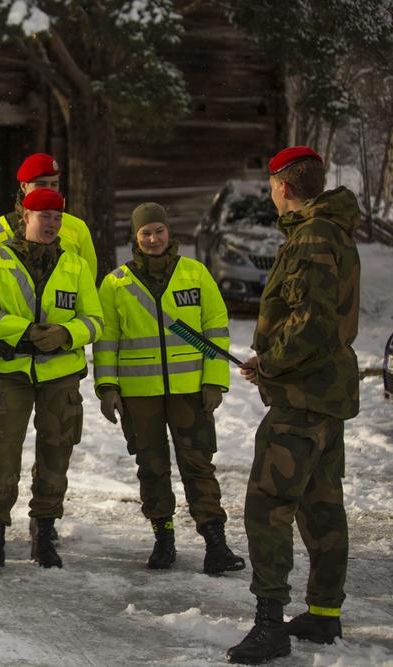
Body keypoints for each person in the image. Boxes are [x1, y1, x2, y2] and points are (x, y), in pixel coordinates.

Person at [228, 147, 360, 665]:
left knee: (268, 505)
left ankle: (269, 625)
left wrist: (272, 363)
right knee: (322, 503)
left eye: (272, 187)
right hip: (327, 394)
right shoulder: (336, 230)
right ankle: (324, 614)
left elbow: (313, 323)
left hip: (303, 398)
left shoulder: (311, 237)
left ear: (282, 185)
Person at [0, 152, 97, 548]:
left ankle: (42, 525)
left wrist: (65, 332)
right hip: (13, 359)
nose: (50, 196)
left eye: (55, 185)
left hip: (59, 360)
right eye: (42, 186)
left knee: (55, 445)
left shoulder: (76, 230)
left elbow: (88, 291)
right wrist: (21, 333)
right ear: (24, 192)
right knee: (0, 442)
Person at [93, 202, 245, 576]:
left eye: (159, 230)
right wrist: (107, 386)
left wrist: (214, 380)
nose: (154, 238)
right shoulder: (115, 283)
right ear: (135, 237)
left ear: (169, 233)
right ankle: (163, 539)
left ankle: (215, 543)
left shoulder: (195, 274)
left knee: (198, 465)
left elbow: (215, 328)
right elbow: (106, 339)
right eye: (146, 232)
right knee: (152, 466)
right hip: (138, 394)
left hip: (190, 392)